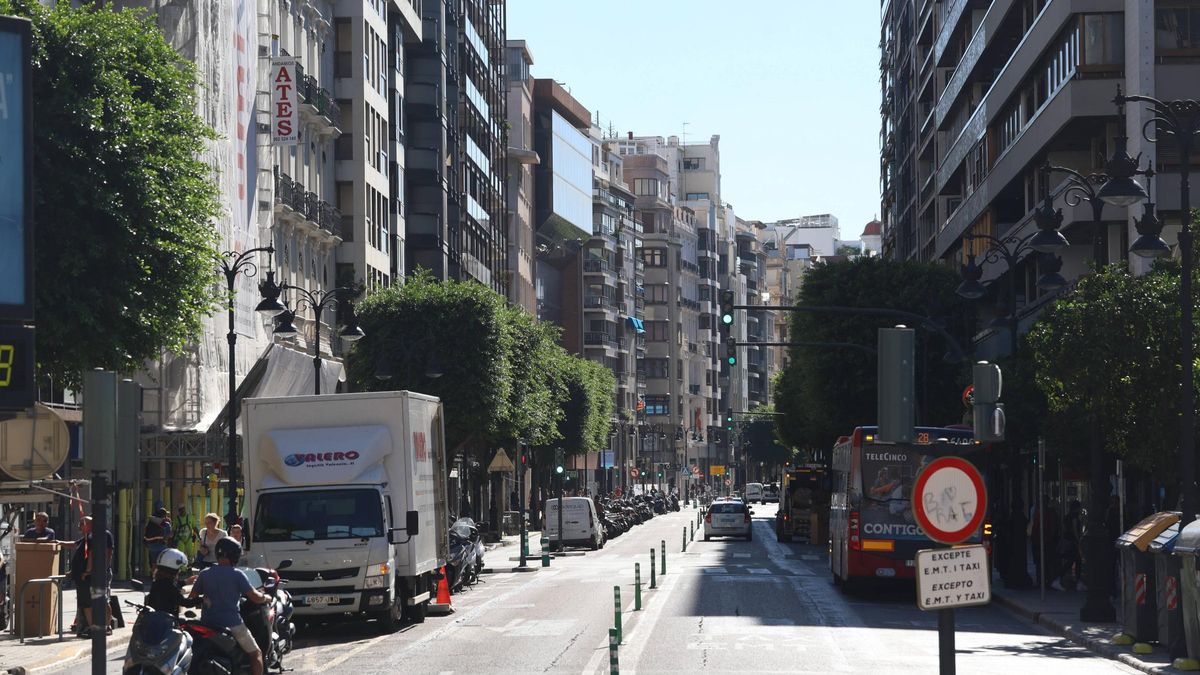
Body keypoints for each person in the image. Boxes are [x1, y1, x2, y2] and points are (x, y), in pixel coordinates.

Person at [189, 538, 268, 675]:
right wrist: (266, 597)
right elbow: (255, 597)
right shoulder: (237, 574)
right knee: (256, 654)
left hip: (207, 624)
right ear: (235, 556)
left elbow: (192, 597)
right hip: (233, 624)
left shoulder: (205, 573)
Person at [69, 517, 113, 637]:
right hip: (92, 575)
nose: (79, 526)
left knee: (94, 601)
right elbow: (75, 545)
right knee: (93, 601)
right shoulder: (88, 537)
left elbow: (93, 554)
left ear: (88, 524)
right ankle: (99, 627)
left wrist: (88, 571)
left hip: (92, 576)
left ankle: (100, 627)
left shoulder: (95, 536)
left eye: (81, 524)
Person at [146, 548, 200, 616]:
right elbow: (186, 603)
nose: (179, 571)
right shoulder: (170, 588)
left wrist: (185, 582)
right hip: (166, 622)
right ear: (173, 570)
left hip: (155, 620)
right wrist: (201, 599)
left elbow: (171, 588)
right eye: (179, 569)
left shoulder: (157, 583)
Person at [144, 507, 172, 575]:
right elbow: (170, 535)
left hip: (151, 546)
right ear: (164, 515)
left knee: (154, 563)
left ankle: (154, 578)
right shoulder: (166, 524)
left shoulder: (151, 522)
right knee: (162, 563)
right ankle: (161, 578)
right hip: (161, 546)